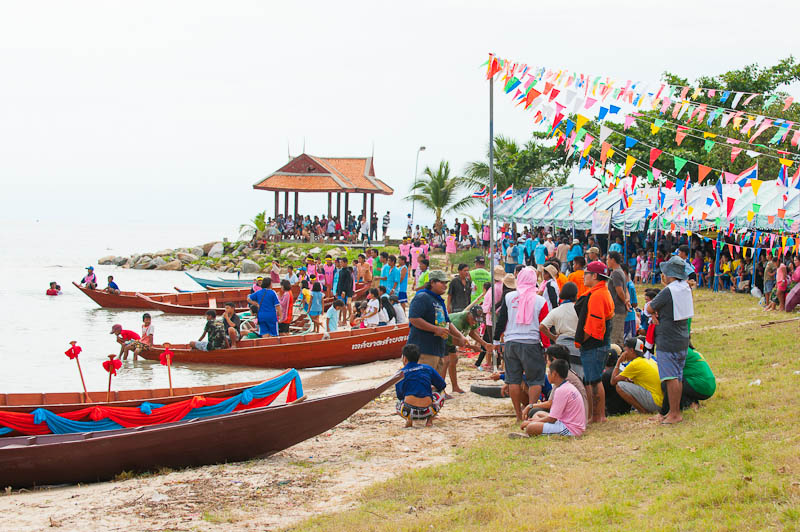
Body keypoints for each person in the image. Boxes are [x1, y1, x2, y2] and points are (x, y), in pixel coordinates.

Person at [493, 268, 550, 421]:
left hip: (511, 343)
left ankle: (518, 414)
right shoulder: (540, 300)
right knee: (535, 379)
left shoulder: (509, 297)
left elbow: (502, 319)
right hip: (531, 343)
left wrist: (496, 340)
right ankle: (530, 411)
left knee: (513, 380)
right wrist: (547, 347)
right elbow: (544, 327)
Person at [646, 255, 693, 424]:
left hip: (668, 339)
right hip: (682, 337)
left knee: (670, 378)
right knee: (677, 377)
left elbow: (649, 307)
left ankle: (674, 413)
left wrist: (652, 312)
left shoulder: (669, 290)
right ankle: (674, 411)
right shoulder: (685, 287)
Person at [574, 260, 615, 423]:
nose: (584, 277)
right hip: (599, 345)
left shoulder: (598, 295)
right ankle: (596, 415)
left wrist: (580, 341)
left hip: (595, 346)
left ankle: (598, 416)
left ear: (595, 276)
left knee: (594, 380)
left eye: (586, 274)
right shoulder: (602, 291)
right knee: (593, 379)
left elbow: (593, 327)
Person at [407, 270, 467, 377]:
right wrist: (435, 329)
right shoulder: (422, 297)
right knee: (422, 383)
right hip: (423, 350)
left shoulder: (439, 300)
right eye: (442, 282)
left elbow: (447, 322)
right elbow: (414, 319)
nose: (445, 286)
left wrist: (460, 336)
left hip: (437, 350)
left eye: (446, 283)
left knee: (434, 384)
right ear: (432, 282)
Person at [511, 359, 586, 438]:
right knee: (538, 414)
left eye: (549, 372)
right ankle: (538, 430)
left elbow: (552, 419)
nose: (548, 375)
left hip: (571, 429)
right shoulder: (566, 386)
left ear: (554, 374)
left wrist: (532, 422)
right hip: (569, 424)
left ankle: (535, 433)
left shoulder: (561, 390)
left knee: (530, 427)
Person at [395, 344, 447, 428]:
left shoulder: (400, 373)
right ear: (418, 357)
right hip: (428, 411)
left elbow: (400, 396)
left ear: (404, 358)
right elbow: (442, 385)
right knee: (442, 392)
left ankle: (409, 420)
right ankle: (429, 421)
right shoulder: (427, 368)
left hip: (408, 411)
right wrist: (430, 388)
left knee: (398, 403)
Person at [610, 338, 663, 414]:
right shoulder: (648, 360)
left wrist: (618, 361)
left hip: (655, 403)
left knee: (620, 386)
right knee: (628, 382)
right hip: (661, 401)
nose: (624, 354)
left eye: (625, 351)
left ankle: (643, 411)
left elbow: (613, 381)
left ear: (631, 350)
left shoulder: (635, 364)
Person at [659, 346, 716, 415]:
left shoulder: (677, 351)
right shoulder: (688, 350)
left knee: (668, 384)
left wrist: (662, 412)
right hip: (709, 386)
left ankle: (687, 404)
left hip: (701, 386)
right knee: (676, 382)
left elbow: (670, 378)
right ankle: (692, 402)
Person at [607, 251, 630, 349]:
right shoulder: (620, 271)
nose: (607, 261)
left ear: (612, 260)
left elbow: (620, 291)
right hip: (621, 308)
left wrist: (625, 301)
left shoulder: (616, 273)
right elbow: (626, 290)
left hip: (617, 309)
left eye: (608, 259)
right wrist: (627, 301)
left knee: (614, 339)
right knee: (619, 337)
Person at [336, 257, 355, 321]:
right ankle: (339, 318)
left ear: (346, 263)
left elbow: (348, 283)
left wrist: (344, 291)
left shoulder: (348, 272)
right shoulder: (341, 271)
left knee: (347, 305)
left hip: (347, 292)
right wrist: (337, 290)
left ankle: (347, 317)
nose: (340, 264)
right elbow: (339, 281)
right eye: (340, 262)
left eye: (342, 262)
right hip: (340, 290)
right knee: (341, 305)